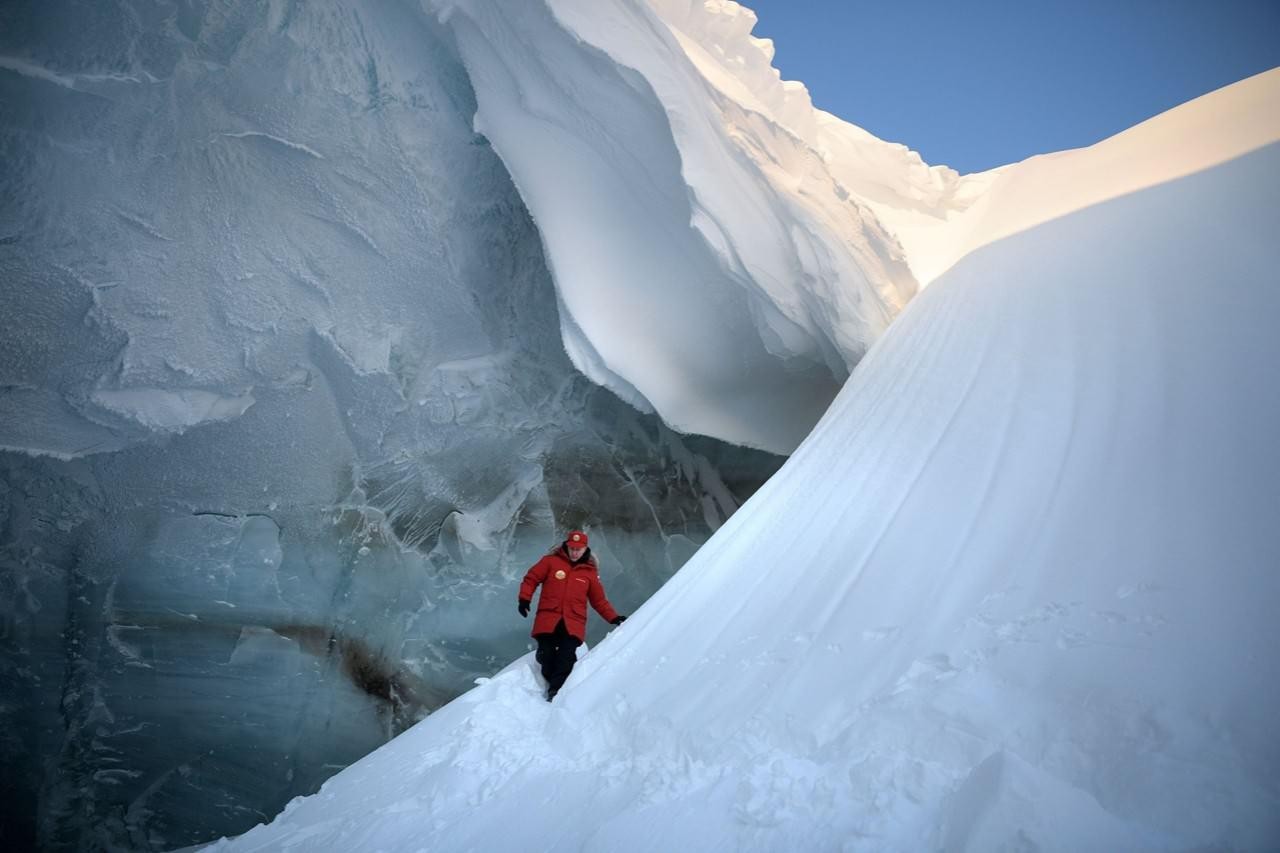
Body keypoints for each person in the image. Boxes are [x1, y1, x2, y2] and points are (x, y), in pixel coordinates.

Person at [518, 530, 625, 701]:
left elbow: (599, 601)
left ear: (585, 549)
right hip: (548, 619)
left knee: (566, 657)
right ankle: (547, 666)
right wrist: (524, 599)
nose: (575, 552)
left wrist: (614, 618)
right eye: (572, 548)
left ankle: (555, 691)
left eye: (579, 549)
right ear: (566, 546)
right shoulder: (550, 562)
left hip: (573, 623)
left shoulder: (589, 573)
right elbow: (531, 578)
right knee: (547, 655)